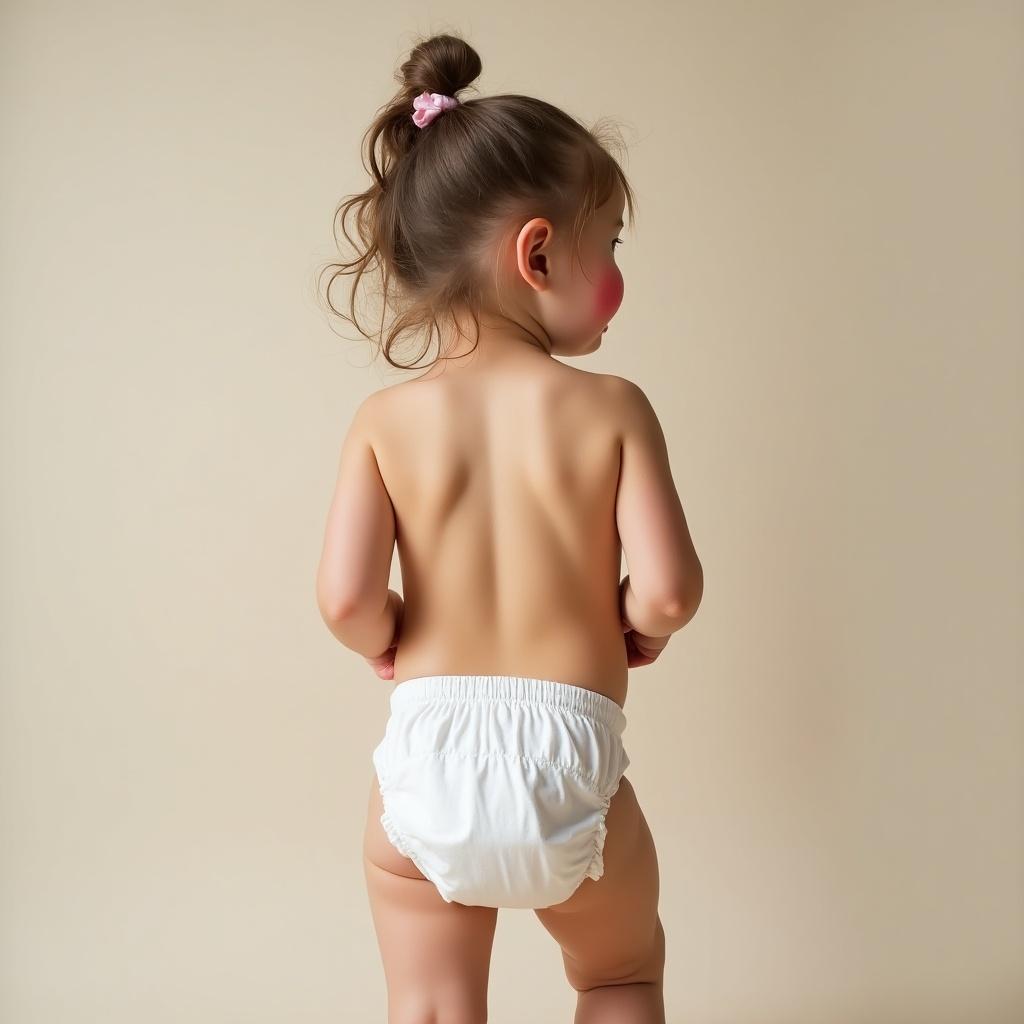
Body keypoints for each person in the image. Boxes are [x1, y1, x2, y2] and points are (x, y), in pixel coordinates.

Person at [315, 31, 703, 1024]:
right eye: (607, 242)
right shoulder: (612, 406)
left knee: (433, 1003)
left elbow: (348, 598)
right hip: (567, 760)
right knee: (619, 975)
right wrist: (636, 624)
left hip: (427, 758)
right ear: (538, 252)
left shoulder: (384, 421)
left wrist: (389, 638)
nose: (617, 270)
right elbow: (666, 589)